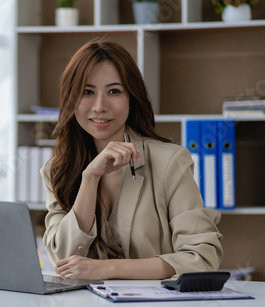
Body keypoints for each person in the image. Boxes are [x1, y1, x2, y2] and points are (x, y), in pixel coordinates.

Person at [41, 40, 223, 280]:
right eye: (87, 92)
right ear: (71, 99)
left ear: (131, 98)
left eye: (114, 91)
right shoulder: (57, 169)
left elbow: (202, 258)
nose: (100, 106)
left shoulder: (169, 161)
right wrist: (90, 178)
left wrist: (106, 269)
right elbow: (63, 259)